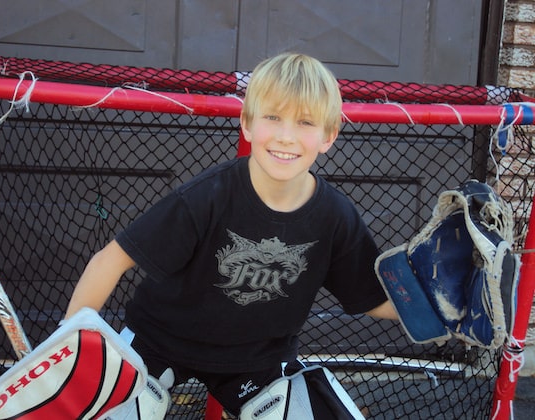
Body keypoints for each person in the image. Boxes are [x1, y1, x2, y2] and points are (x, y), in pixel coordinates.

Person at [64, 52, 398, 417]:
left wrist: (449, 317)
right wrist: (66, 349)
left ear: (328, 136)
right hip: (159, 342)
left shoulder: (335, 216)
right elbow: (109, 261)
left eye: (305, 122)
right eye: (272, 117)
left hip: (256, 359)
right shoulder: (207, 197)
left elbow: (371, 298)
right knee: (112, 411)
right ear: (247, 124)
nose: (286, 136)